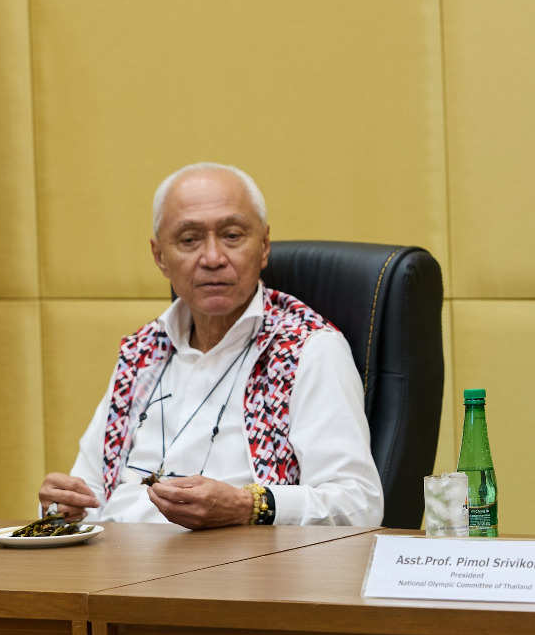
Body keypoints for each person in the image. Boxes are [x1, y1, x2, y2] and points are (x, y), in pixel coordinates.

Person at [37, 163, 383, 528]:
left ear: (264, 245)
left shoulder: (307, 349)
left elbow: (359, 504)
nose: (213, 258)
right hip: (114, 557)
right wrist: (62, 508)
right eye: (189, 240)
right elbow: (89, 493)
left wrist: (249, 506)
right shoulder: (142, 352)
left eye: (232, 236)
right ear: (160, 256)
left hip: (239, 561)